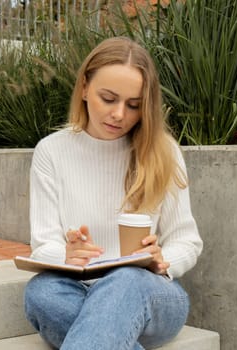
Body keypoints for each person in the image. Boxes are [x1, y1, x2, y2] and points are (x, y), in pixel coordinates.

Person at [24, 36, 203, 350]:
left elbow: (187, 240)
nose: (120, 114)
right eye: (108, 98)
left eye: (134, 105)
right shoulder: (51, 152)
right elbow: (43, 244)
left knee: (124, 279)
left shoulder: (163, 151)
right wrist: (66, 254)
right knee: (42, 293)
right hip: (76, 289)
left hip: (151, 295)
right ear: (84, 88)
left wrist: (163, 261)